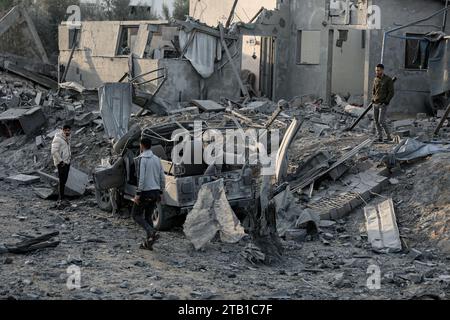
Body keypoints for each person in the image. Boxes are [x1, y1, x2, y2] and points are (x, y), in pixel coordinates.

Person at [132, 137, 165, 250]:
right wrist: (161, 191)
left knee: (135, 215)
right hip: (155, 192)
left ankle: (151, 231)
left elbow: (141, 179)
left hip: (145, 192)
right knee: (148, 216)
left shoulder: (142, 159)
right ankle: (148, 243)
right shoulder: (157, 159)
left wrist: (137, 194)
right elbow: (162, 177)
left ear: (141, 145)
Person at [372, 64, 395, 143]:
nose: (377, 72)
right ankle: (380, 137)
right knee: (376, 121)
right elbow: (374, 90)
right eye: (376, 70)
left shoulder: (388, 79)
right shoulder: (375, 79)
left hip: (383, 103)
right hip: (375, 103)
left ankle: (389, 136)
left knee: (381, 121)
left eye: (378, 70)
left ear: (382, 70)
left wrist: (386, 101)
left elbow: (391, 92)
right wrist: (373, 98)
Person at [51, 124, 72, 204]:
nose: (67, 132)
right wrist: (61, 161)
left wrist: (69, 159)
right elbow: (54, 151)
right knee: (62, 181)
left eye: (68, 130)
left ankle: (62, 197)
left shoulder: (67, 138)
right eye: (66, 130)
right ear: (62, 130)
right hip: (61, 163)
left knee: (64, 181)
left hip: (67, 162)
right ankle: (60, 198)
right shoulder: (58, 138)